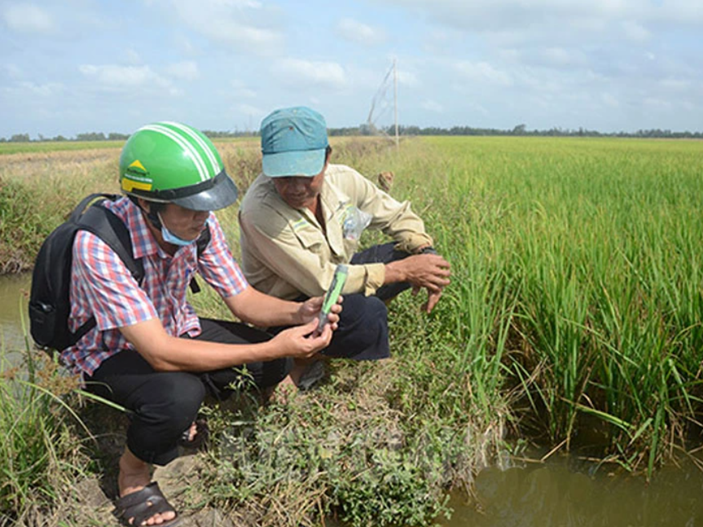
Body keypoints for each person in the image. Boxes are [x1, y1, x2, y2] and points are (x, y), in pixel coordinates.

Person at [61, 121, 340, 527]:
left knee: (271, 366)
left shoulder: (199, 227)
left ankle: (179, 416)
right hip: (107, 351)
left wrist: (298, 314)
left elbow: (244, 302)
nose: (202, 217)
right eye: (190, 208)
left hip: (174, 329)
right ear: (147, 205)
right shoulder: (99, 244)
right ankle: (133, 475)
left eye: (206, 206)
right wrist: (274, 345)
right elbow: (157, 351)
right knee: (177, 394)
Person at [238, 106, 451, 379]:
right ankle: (300, 360)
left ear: (326, 159)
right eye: (284, 177)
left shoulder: (344, 181)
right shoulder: (260, 211)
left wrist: (426, 255)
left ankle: (340, 338)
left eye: (306, 175)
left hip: (337, 277)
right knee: (368, 312)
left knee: (402, 254)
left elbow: (396, 216)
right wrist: (404, 271)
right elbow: (321, 281)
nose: (295, 188)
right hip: (291, 308)